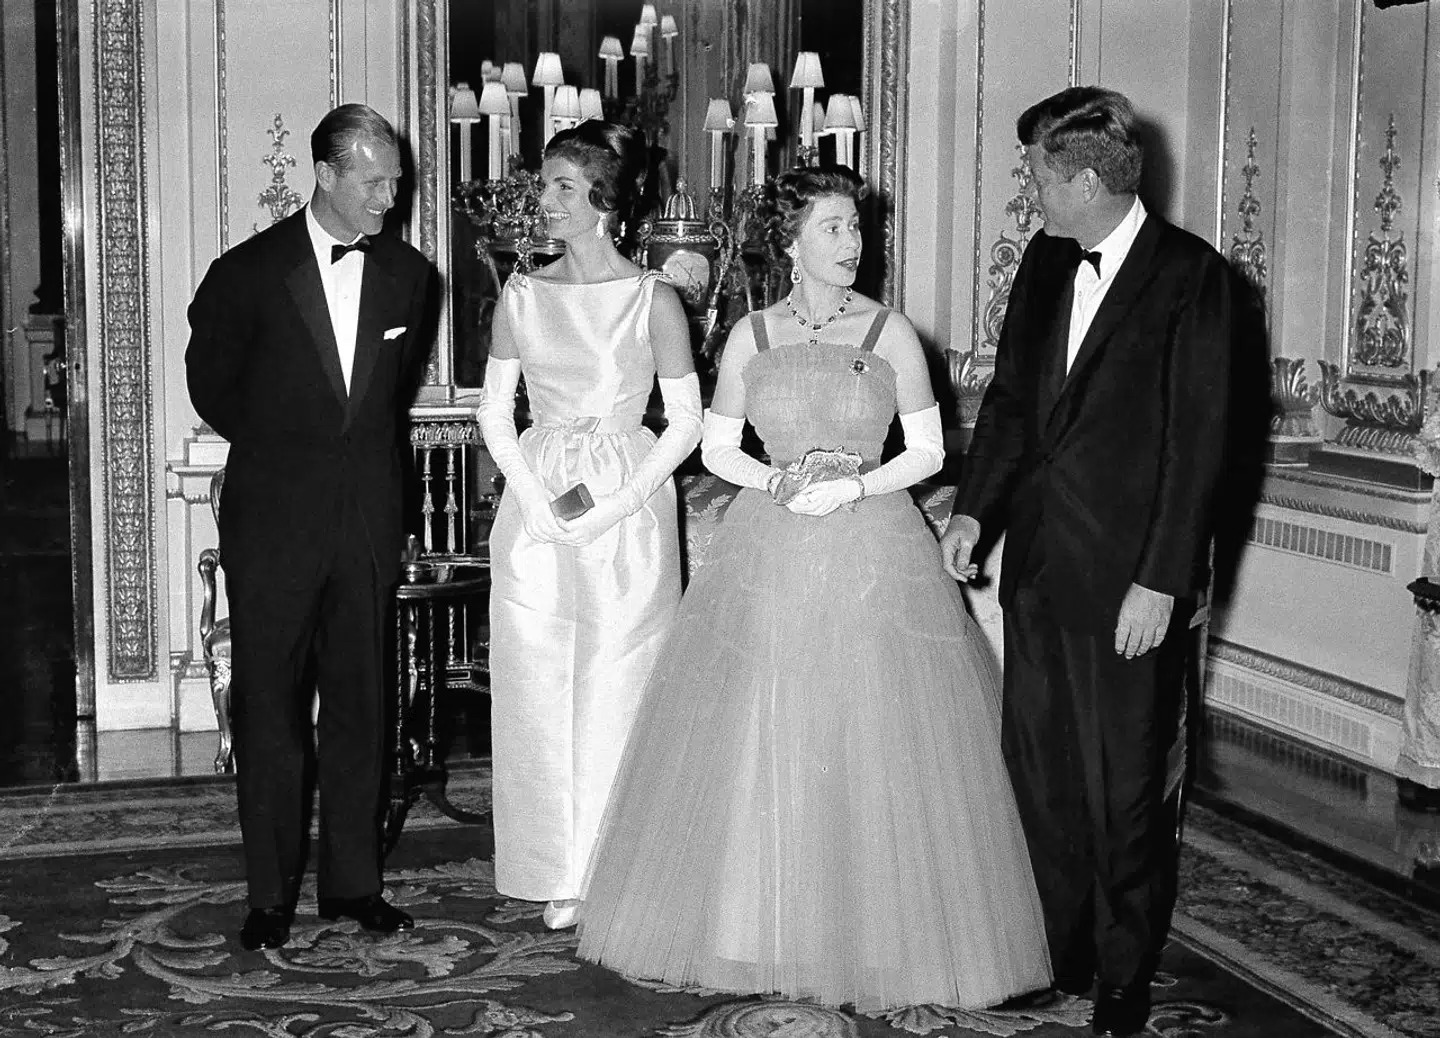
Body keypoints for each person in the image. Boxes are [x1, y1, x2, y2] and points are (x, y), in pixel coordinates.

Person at [576, 166, 1052, 1012]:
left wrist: (857, 487)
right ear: (790, 244)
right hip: (772, 547)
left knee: (872, 729)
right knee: (768, 725)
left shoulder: (891, 331)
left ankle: (881, 934)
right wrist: (775, 483)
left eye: (857, 228)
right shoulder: (752, 336)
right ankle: (759, 929)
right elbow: (716, 447)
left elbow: (931, 451)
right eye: (833, 229)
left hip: (875, 552)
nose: (851, 244)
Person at [939, 87, 1232, 1037]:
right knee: (1042, 768)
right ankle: (1056, 952)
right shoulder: (1042, 263)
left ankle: (1120, 974)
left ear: (1090, 180)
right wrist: (975, 515)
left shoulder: (1195, 279)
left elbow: (1200, 453)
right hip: (1039, 571)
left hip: (1130, 584)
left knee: (1123, 786)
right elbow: (1014, 408)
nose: (1029, 197)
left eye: (1036, 179)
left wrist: (1163, 581)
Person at [185, 103, 435, 950]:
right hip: (274, 524)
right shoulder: (244, 272)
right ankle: (268, 898)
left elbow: (386, 406)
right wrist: (289, 455)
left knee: (365, 708)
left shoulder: (411, 275)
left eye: (395, 180)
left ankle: (354, 888)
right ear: (324, 174)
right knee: (271, 712)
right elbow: (212, 389)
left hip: (368, 523)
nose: (388, 198)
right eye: (372, 181)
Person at [476, 120, 702, 932]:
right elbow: (495, 412)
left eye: (562, 187)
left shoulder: (653, 298)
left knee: (616, 681)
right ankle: (552, 862)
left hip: (626, 511)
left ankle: (609, 862)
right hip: (536, 507)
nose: (544, 202)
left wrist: (617, 503)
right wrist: (532, 498)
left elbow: (683, 422)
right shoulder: (522, 295)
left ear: (604, 201)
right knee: (539, 680)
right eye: (544, 186)